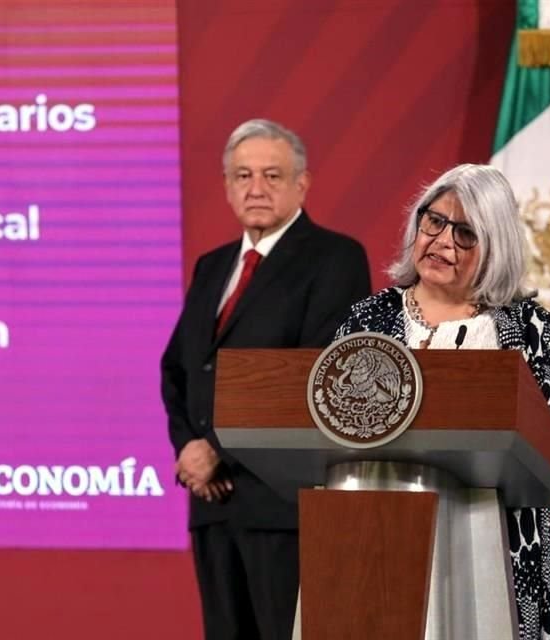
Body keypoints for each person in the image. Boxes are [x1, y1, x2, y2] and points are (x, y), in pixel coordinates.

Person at [334, 163, 550, 640]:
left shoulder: (529, 329)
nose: (441, 242)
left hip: (497, 542)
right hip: (382, 542)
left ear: (495, 248)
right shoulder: (368, 319)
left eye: (466, 234)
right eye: (434, 221)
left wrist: (519, 463)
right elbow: (330, 419)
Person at [161, 118, 371, 640]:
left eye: (272, 175)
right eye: (243, 175)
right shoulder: (212, 267)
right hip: (212, 506)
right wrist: (190, 448)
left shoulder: (334, 258)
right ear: (228, 186)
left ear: (302, 183)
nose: (256, 188)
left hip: (283, 506)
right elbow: (179, 368)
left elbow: (318, 373)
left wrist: (218, 449)